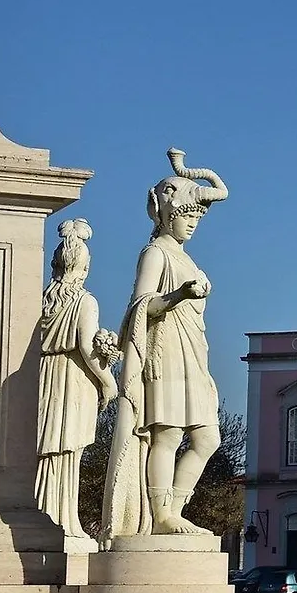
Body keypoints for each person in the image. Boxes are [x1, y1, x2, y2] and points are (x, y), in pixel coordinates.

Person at [103, 149, 228, 538]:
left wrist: (194, 171)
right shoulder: (155, 253)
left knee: (208, 437)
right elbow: (141, 305)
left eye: (195, 218)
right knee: (168, 434)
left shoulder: (186, 257)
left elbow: (222, 190)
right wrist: (178, 295)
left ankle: (173, 508)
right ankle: (161, 517)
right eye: (185, 216)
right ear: (167, 215)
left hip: (193, 352)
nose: (191, 225)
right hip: (165, 350)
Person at [35, 219, 117, 538]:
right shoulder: (85, 301)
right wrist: (108, 380)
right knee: (68, 452)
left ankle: (45, 513)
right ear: (84, 267)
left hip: (44, 374)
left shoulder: (42, 299)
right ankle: (63, 522)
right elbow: (86, 346)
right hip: (73, 379)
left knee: (48, 450)